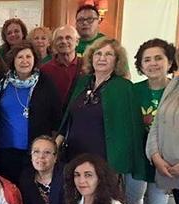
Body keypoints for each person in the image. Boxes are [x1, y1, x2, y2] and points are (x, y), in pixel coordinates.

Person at [57, 38, 145, 181]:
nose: (102, 58)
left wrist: (118, 163)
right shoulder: (83, 82)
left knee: (101, 200)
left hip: (104, 159)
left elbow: (129, 130)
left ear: (117, 60)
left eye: (108, 54)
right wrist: (57, 143)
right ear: (91, 58)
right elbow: (68, 116)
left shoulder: (123, 87)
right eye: (98, 54)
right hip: (74, 154)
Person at [0, 41, 61, 184]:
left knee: (29, 191)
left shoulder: (45, 82)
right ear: (13, 61)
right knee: (8, 191)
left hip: (34, 151)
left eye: (28, 57)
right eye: (20, 57)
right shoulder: (4, 82)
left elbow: (56, 115)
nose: (24, 61)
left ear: (34, 59)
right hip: (5, 149)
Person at [138, 39, 179, 204]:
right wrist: (155, 156)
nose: (153, 64)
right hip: (151, 160)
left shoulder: (171, 84)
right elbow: (156, 127)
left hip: (172, 165)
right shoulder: (171, 88)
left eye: (159, 58)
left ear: (169, 61)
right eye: (147, 59)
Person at [40, 25, 82, 110]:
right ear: (54, 43)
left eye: (68, 38)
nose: (64, 41)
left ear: (77, 41)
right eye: (59, 38)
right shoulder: (45, 70)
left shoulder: (87, 67)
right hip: (55, 119)